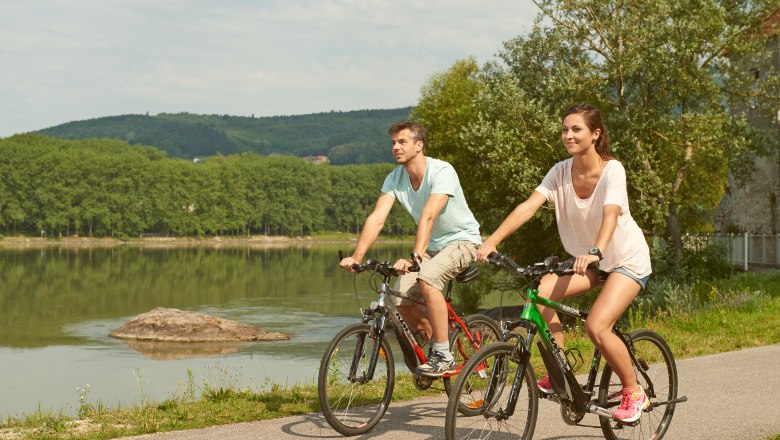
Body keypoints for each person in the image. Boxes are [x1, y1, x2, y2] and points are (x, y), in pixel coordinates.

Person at [475, 103, 652, 423]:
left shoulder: (613, 170)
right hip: (593, 262)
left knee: (596, 325)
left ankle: (633, 391)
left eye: (576, 129)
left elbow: (611, 214)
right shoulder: (559, 171)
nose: (567, 135)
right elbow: (528, 207)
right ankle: (560, 372)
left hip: (624, 258)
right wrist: (493, 240)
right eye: (564, 130)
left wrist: (596, 250)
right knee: (542, 292)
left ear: (596, 134)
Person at [339, 120, 482, 377]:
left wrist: (415, 257)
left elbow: (428, 216)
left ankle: (443, 354)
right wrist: (357, 256)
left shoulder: (442, 171)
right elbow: (377, 218)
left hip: (462, 241)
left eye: (402, 141)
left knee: (427, 278)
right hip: (432, 246)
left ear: (419, 145)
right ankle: (440, 343)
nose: (395, 147)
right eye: (393, 142)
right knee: (400, 300)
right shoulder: (395, 178)